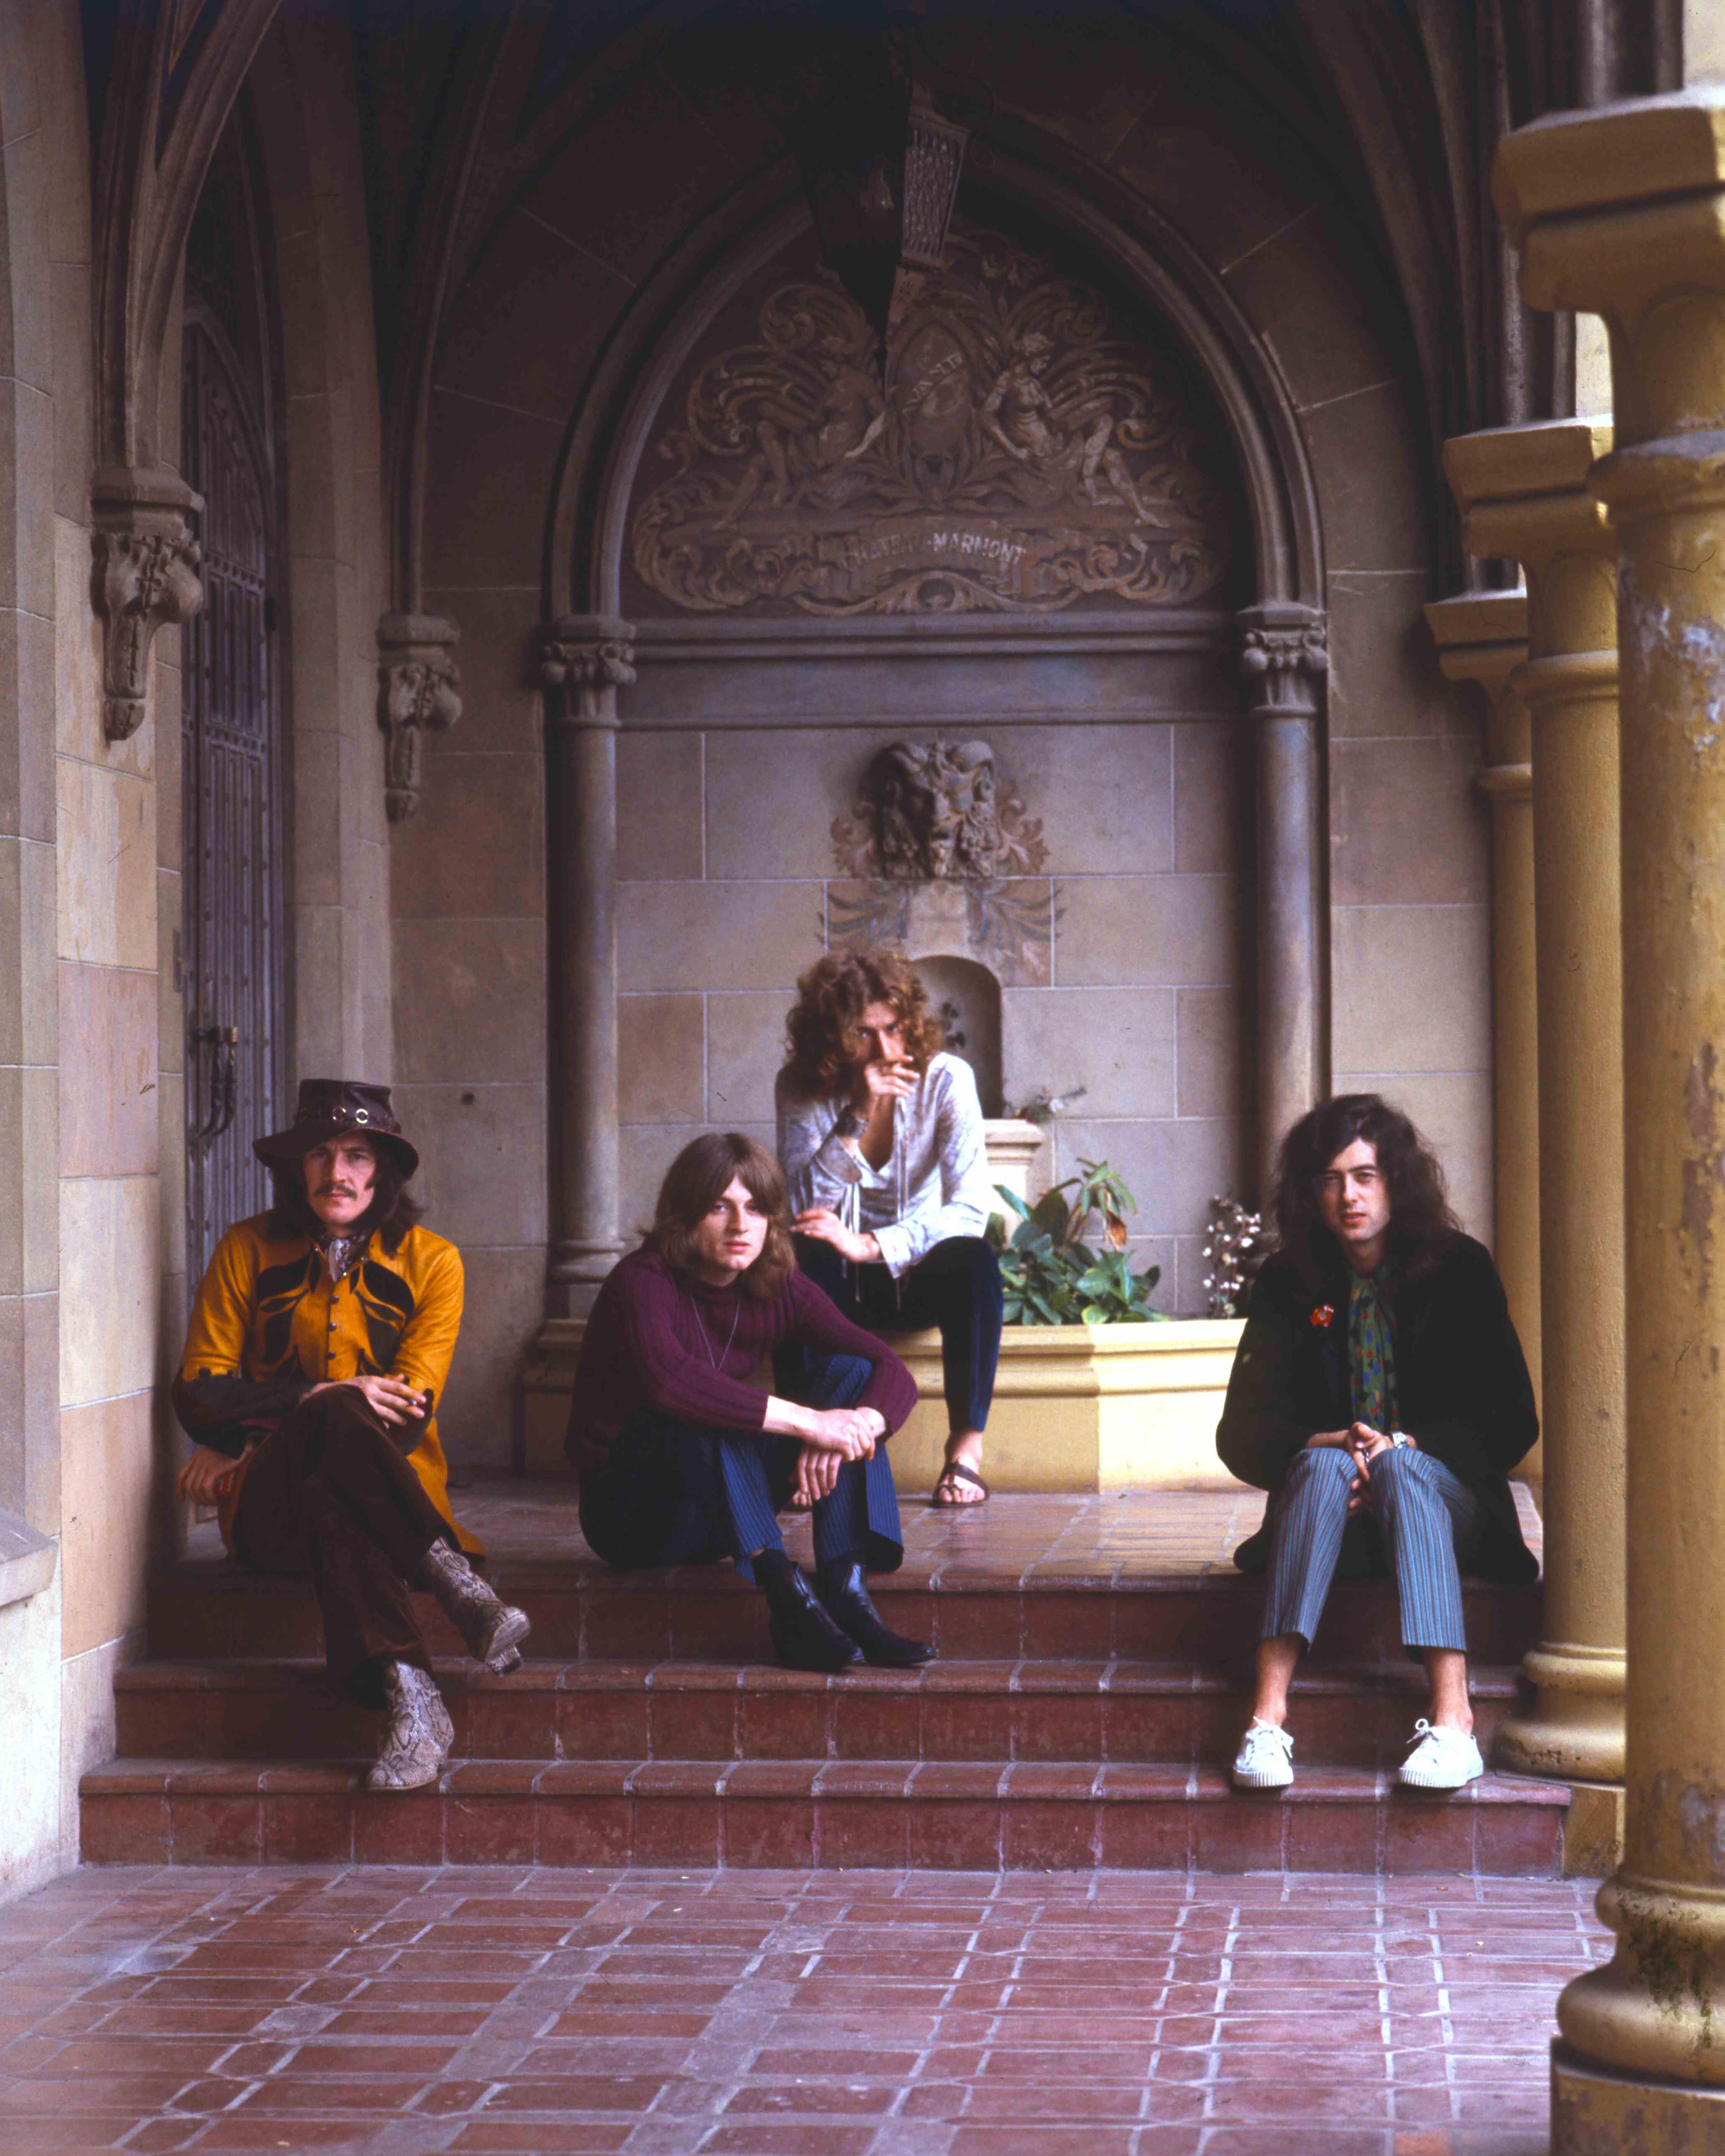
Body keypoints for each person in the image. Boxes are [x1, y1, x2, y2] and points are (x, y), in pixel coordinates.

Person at [172, 1080, 530, 1794]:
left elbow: (407, 1416)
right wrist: (320, 1395)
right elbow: (198, 1396)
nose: (338, 1174)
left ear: (384, 1170)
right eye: (321, 1155)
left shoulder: (433, 1261)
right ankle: (450, 1580)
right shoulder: (245, 1250)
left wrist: (250, 1423)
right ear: (295, 1168)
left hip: (363, 1496)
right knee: (337, 1413)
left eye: (359, 1156)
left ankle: (414, 1702)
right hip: (266, 1511)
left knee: (330, 1494)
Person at [1215, 1093, 1538, 1794]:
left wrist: (1405, 1447)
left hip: (1445, 1510)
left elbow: (1513, 1420)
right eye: (1330, 1180)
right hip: (1329, 1515)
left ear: (1397, 1181)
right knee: (1327, 1464)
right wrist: (1330, 1440)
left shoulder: (1459, 1270)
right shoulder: (1289, 1283)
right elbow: (1240, 1434)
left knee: (1405, 1471)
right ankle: (1266, 1721)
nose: (1348, 1196)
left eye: (1365, 1176)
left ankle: (1453, 1721)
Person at [567, 1131, 930, 1671]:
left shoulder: (776, 1285)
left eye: (756, 1209)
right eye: (720, 1207)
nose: (741, 1226)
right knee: (697, 1405)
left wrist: (852, 1426)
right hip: (632, 1517)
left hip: (719, 1511)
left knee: (852, 1376)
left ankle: (846, 1592)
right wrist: (811, 1424)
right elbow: (671, 1384)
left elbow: (890, 1368)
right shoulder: (641, 1282)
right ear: (684, 1216)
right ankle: (788, 1600)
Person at [775, 949, 1004, 1508]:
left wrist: (872, 1244)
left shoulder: (947, 1080)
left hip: (912, 1275)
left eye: (894, 1030)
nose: (883, 1050)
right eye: (863, 1034)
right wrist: (857, 1113)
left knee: (975, 1259)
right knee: (799, 1254)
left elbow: (972, 1208)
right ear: (832, 1037)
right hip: (835, 1289)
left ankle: (965, 1452)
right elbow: (801, 1205)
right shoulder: (801, 1087)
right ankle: (807, 1444)